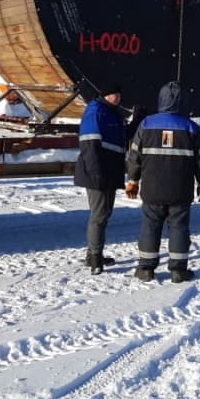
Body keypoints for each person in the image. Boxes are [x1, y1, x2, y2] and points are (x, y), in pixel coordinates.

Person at [125, 81, 200, 283]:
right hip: (180, 189)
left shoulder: (146, 124)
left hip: (152, 189)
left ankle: (145, 268)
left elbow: (134, 156)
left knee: (150, 227)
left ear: (161, 99)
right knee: (179, 227)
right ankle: (178, 270)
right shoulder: (191, 127)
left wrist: (133, 180)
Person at [74, 81, 145, 275]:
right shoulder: (95, 112)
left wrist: (136, 122)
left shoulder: (112, 112)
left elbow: (122, 137)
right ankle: (95, 259)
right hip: (98, 173)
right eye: (115, 94)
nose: (118, 98)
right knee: (99, 215)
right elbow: (89, 145)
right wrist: (96, 173)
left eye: (119, 95)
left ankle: (93, 253)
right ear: (105, 95)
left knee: (104, 214)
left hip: (110, 171)